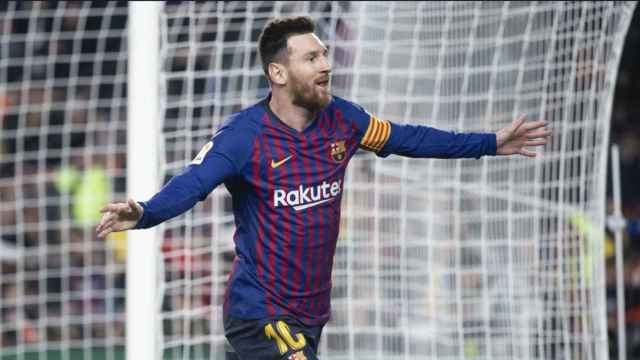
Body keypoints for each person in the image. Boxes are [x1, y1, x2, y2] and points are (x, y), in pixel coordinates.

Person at [96, 16, 551, 360]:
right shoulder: (243, 137)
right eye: (311, 58)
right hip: (260, 311)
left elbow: (408, 138)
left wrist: (490, 143)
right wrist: (144, 212)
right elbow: (193, 183)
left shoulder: (344, 120)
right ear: (278, 73)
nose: (326, 65)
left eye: (325, 56)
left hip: (310, 312)